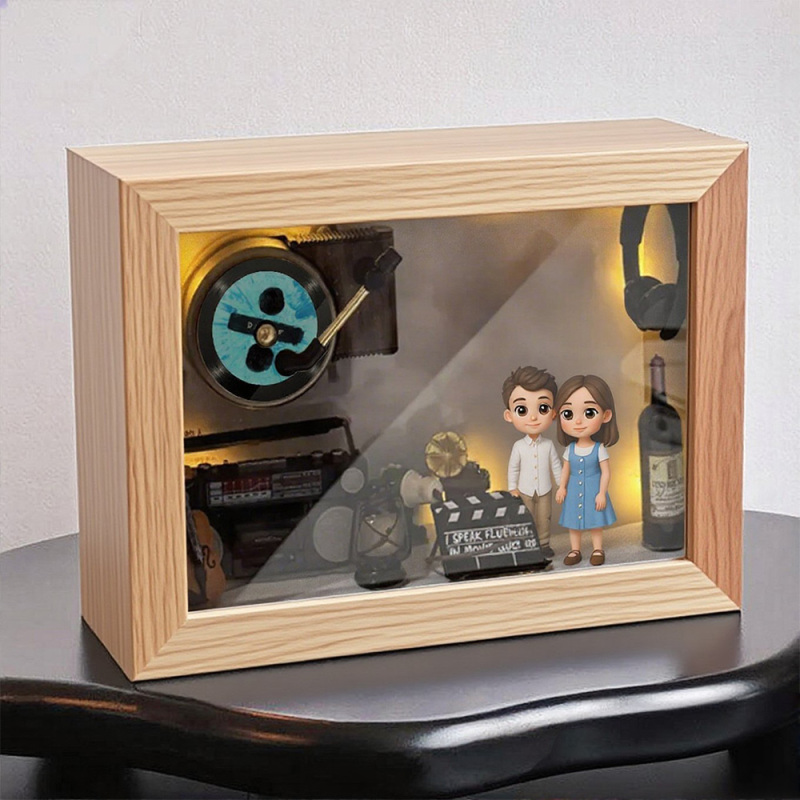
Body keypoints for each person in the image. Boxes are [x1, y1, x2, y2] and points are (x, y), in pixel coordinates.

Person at [554, 374, 618, 566]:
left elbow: (606, 472)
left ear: (605, 415)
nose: (578, 421)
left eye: (589, 413)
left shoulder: (599, 449)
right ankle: (575, 550)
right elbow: (566, 469)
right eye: (568, 414)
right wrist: (562, 487)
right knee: (573, 522)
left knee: (595, 520)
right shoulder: (570, 449)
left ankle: (598, 549)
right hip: (573, 489)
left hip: (593, 489)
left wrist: (602, 493)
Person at [502, 366, 561, 558]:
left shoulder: (548, 445)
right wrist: (512, 487)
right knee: (525, 517)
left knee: (544, 517)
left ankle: (543, 543)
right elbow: (513, 468)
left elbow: (555, 465)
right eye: (522, 410)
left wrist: (562, 484)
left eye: (543, 408)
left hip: (545, 488)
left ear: (553, 413)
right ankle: (527, 543)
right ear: (509, 415)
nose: (533, 417)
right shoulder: (518, 446)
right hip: (524, 489)